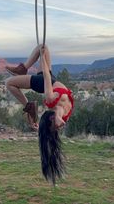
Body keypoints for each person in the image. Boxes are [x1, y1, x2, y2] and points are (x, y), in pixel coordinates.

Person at [5, 44, 74, 184]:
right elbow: (52, 123)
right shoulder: (62, 115)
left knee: (9, 83)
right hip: (52, 81)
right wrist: (41, 127)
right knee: (42, 46)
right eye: (58, 129)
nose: (60, 127)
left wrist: (43, 58)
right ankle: (23, 69)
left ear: (53, 118)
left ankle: (28, 105)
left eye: (56, 126)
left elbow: (47, 77)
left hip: (45, 82)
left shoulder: (51, 99)